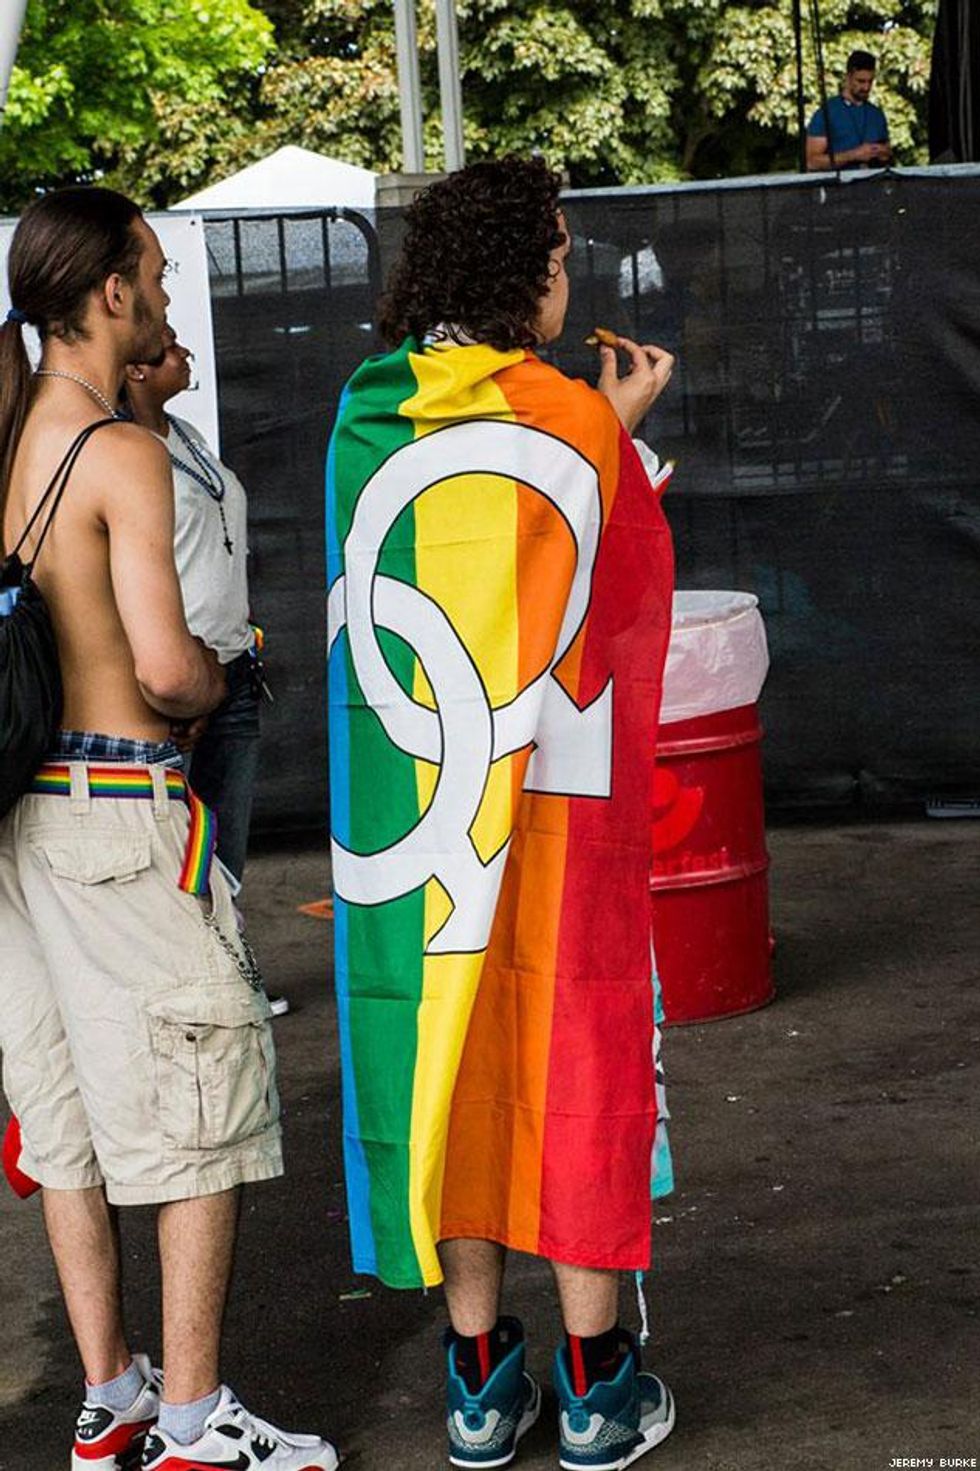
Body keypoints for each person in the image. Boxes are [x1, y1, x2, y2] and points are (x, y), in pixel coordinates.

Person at [326, 157, 677, 1470]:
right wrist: (623, 430)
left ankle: (478, 1379)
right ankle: (597, 1384)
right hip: (558, 824)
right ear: (523, 266)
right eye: (563, 252)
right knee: (574, 1047)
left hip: (424, 821)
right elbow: (617, 606)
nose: (570, 274)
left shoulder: (369, 412)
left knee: (445, 1052)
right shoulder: (571, 420)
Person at [0, 188, 336, 1471]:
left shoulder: (13, 432)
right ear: (106, 294)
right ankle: (195, 1428)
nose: (161, 288)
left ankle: (112, 1399)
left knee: (68, 1111)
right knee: (203, 1097)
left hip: (21, 821)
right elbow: (165, 672)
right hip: (118, 809)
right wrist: (218, 659)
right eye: (149, 268)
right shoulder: (119, 450)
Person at [123, 327, 289, 1017]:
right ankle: (181, 992)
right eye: (167, 348)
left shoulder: (185, 433)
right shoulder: (127, 451)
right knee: (176, 847)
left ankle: (225, 975)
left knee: (224, 842)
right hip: (179, 686)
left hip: (234, 673)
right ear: (134, 370)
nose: (184, 352)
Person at [806, 49, 893, 171]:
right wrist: (854, 155)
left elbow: (887, 153)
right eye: (861, 81)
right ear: (848, 77)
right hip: (838, 187)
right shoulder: (827, 112)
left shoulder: (877, 114)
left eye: (870, 81)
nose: (866, 87)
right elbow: (812, 162)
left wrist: (884, 153)